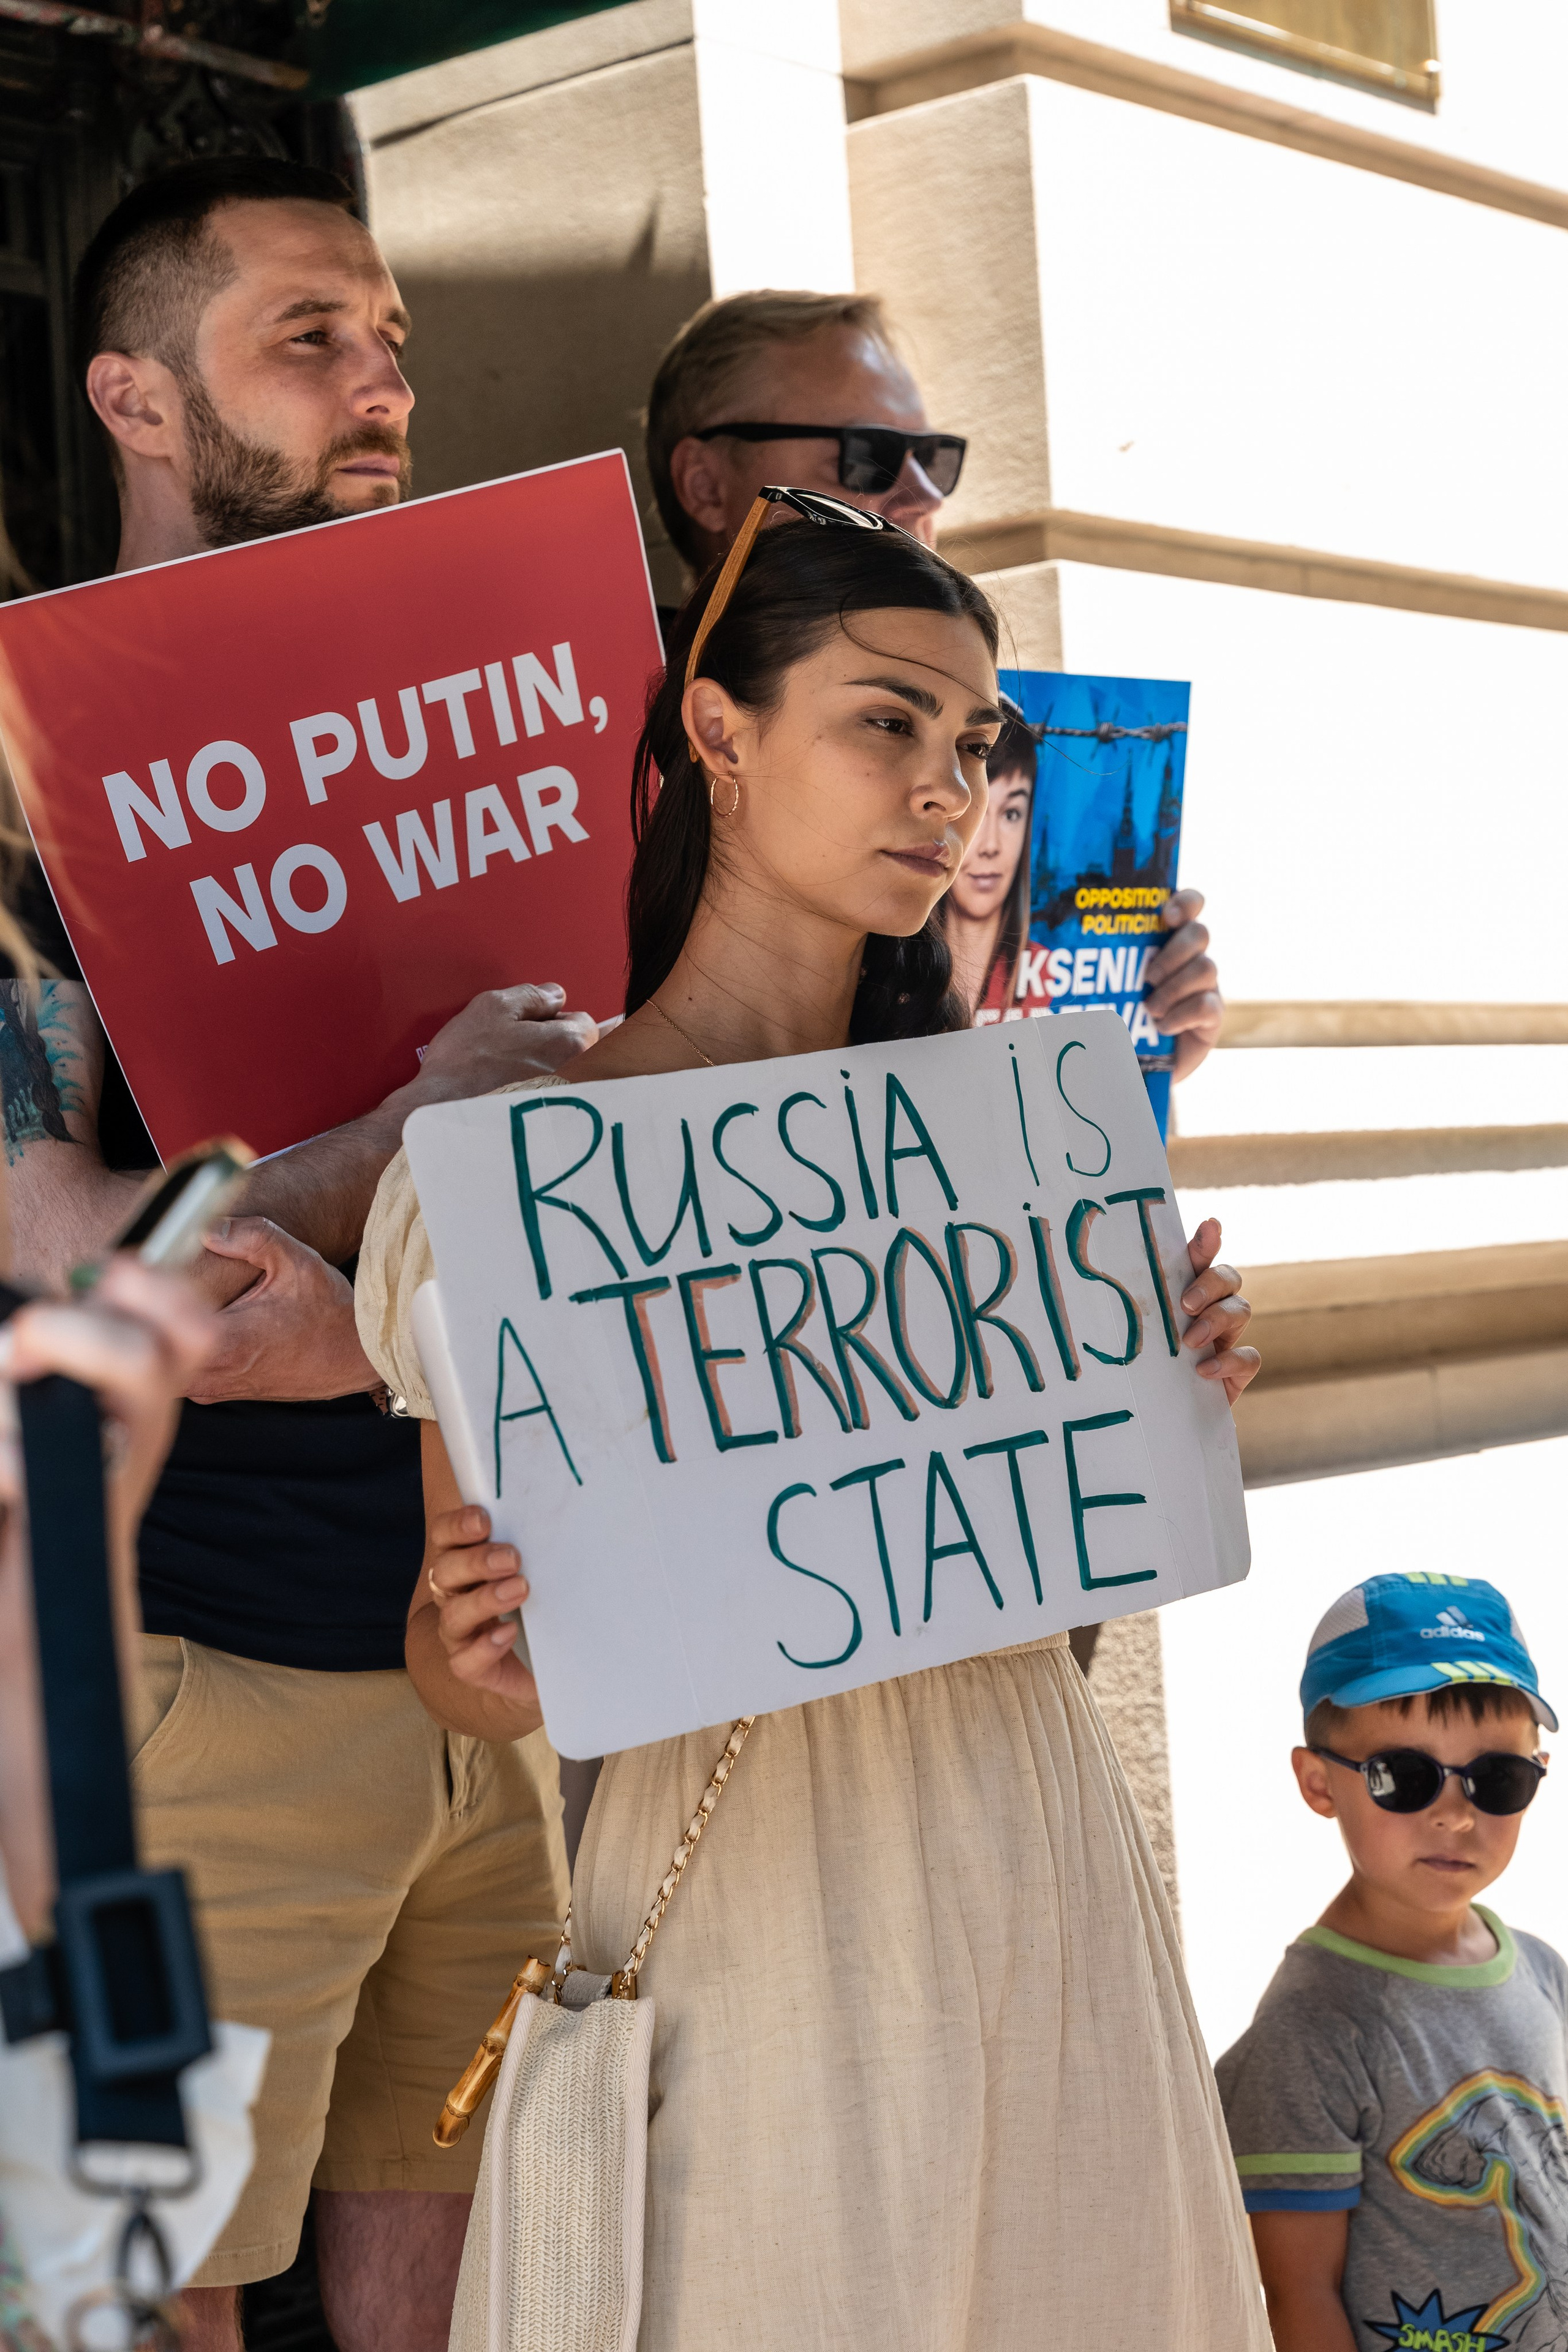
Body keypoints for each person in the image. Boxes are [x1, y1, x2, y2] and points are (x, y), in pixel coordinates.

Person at [358, 494, 1270, 2346]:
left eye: (973, 740)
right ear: (719, 730)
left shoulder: (1020, 1136)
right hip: (745, 1887)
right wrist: (469, 1639)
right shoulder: (512, 1180)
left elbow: (1057, 1589)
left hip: (1033, 1839)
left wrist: (1156, 1397)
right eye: (884, 719)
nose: (946, 787)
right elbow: (480, 1681)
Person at [4, 157, 584, 2352]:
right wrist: (416, 1140)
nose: (382, 382)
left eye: (393, 339)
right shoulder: (19, 789)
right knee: (137, 2306)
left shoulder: (499, 726)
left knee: (457, 2297)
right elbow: (65, 1254)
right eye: (307, 337)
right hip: (189, 1685)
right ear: (135, 398)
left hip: (485, 1677)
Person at [646, 287, 1224, 1079]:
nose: (926, 494)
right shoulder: (556, 756)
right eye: (868, 454)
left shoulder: (1024, 741)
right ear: (706, 484)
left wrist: (1126, 1066)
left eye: (976, 744)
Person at [1216, 1575, 1567, 2352]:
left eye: (1497, 1779)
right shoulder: (1308, 2033)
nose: (1455, 1815)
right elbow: (1295, 2296)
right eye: (1403, 1777)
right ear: (1319, 1783)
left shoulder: (1543, 1974)